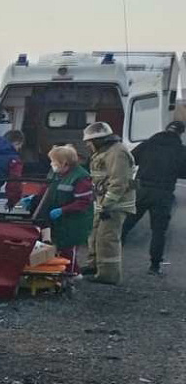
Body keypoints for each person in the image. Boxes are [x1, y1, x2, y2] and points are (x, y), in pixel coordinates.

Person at [122, 119, 186, 276]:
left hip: (142, 190)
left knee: (125, 224)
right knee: (158, 231)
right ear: (181, 133)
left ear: (166, 129)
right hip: (164, 193)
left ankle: (112, 257)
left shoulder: (148, 143)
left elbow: (130, 160)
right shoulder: (181, 150)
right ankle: (154, 266)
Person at [81, 121, 136, 284]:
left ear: (99, 140)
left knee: (107, 239)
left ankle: (108, 276)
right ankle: (94, 266)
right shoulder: (105, 151)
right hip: (103, 202)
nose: (87, 145)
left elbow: (118, 182)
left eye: (89, 142)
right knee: (95, 236)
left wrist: (107, 204)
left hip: (114, 205)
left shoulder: (116, 152)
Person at [35, 144, 93, 274]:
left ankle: (71, 276)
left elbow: (83, 202)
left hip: (75, 222)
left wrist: (63, 210)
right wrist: (34, 198)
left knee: (68, 249)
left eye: (53, 161)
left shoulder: (81, 177)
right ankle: (68, 273)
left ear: (64, 163)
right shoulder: (57, 173)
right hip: (61, 221)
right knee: (59, 247)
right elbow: (48, 189)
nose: (51, 164)